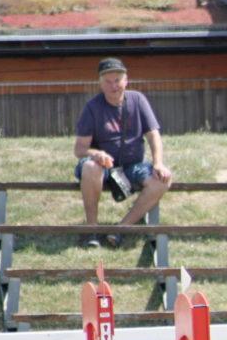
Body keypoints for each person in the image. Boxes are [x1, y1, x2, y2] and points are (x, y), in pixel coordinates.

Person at [72, 57, 173, 248]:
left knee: (163, 180)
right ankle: (92, 230)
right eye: (108, 81)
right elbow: (79, 149)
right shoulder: (92, 107)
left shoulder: (138, 100)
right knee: (90, 166)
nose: (113, 86)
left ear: (126, 81)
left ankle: (121, 229)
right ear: (100, 84)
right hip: (103, 168)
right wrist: (96, 154)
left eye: (117, 80)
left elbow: (154, 136)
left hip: (133, 166)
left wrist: (158, 163)